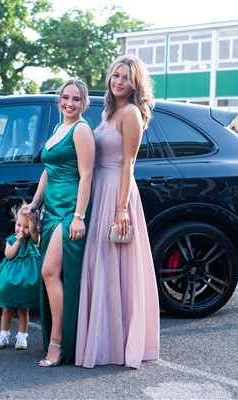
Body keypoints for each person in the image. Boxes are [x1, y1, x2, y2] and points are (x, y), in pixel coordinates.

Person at [75, 54, 160, 369]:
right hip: (100, 190)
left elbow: (128, 164)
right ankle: (103, 339)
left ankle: (116, 343)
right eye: (115, 75)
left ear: (135, 84)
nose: (119, 81)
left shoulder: (131, 113)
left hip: (116, 193)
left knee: (114, 266)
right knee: (100, 266)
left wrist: (121, 209)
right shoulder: (108, 113)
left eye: (126, 77)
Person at [24, 79, 95, 367]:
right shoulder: (59, 128)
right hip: (52, 209)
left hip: (69, 210)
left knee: (49, 271)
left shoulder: (82, 130)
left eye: (76, 99)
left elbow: (87, 175)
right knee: (52, 274)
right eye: (66, 97)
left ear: (84, 103)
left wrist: (79, 216)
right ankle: (59, 339)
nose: (70, 103)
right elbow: (48, 170)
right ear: (59, 100)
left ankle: (58, 343)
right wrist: (35, 202)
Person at [0, 201, 41, 350]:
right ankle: (3, 335)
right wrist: (18, 241)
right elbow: (9, 254)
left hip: (25, 280)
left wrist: (32, 218)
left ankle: (22, 337)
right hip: (9, 279)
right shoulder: (12, 239)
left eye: (26, 227)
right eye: (19, 225)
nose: (21, 230)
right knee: (6, 308)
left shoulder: (33, 240)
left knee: (23, 310)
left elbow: (35, 235)